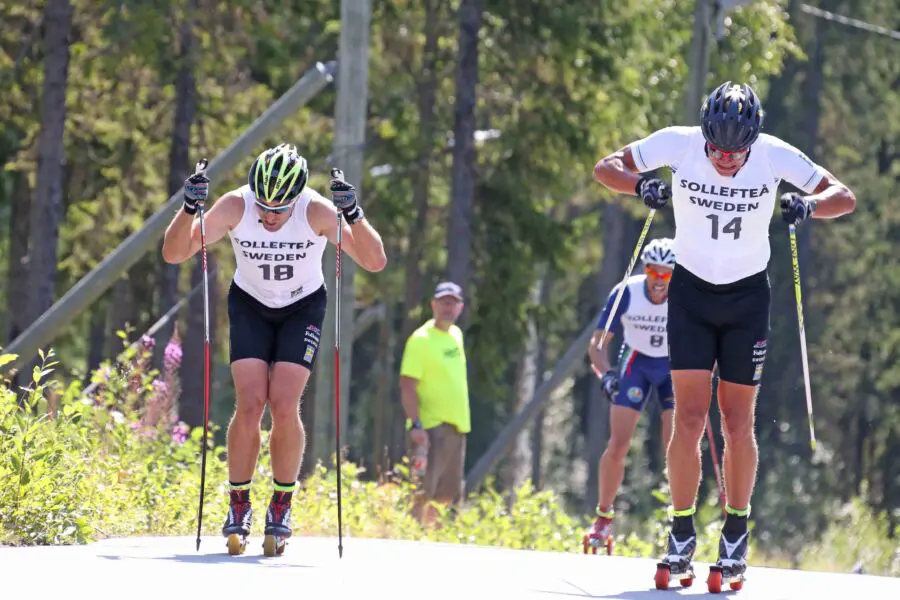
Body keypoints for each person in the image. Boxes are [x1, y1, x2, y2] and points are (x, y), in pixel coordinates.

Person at [592, 81, 856, 587]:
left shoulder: (775, 154)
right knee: (687, 418)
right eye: (717, 149)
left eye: (737, 152)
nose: (726, 160)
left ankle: (736, 530)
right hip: (690, 295)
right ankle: (681, 530)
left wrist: (807, 206)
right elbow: (607, 168)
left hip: (747, 299)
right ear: (705, 135)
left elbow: (842, 197)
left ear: (754, 140)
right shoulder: (679, 142)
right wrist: (640, 186)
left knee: (737, 422)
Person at [161, 144, 387, 554]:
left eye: (278, 210)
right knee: (250, 403)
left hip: (302, 307)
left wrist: (354, 213)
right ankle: (239, 502)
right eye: (263, 206)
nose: (268, 216)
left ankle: (281, 504)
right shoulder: (235, 206)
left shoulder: (315, 211)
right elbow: (175, 252)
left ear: (297, 199)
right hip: (250, 304)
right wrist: (188, 208)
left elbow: (374, 261)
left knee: (283, 404)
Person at [583, 237, 676, 556]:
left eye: (667, 274)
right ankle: (603, 518)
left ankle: (679, 520)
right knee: (619, 443)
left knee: (675, 446)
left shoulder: (686, 295)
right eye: (654, 272)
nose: (660, 280)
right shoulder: (627, 291)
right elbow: (597, 345)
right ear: (645, 270)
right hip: (636, 362)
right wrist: (606, 374)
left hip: (672, 366)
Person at [398, 281, 470, 525]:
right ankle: (411, 536)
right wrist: (416, 425)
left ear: (461, 307)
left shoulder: (456, 335)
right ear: (433, 305)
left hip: (457, 428)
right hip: (430, 429)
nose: (448, 307)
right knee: (421, 491)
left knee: (446, 495)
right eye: (443, 302)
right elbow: (407, 385)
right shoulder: (420, 339)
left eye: (453, 303)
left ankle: (433, 541)